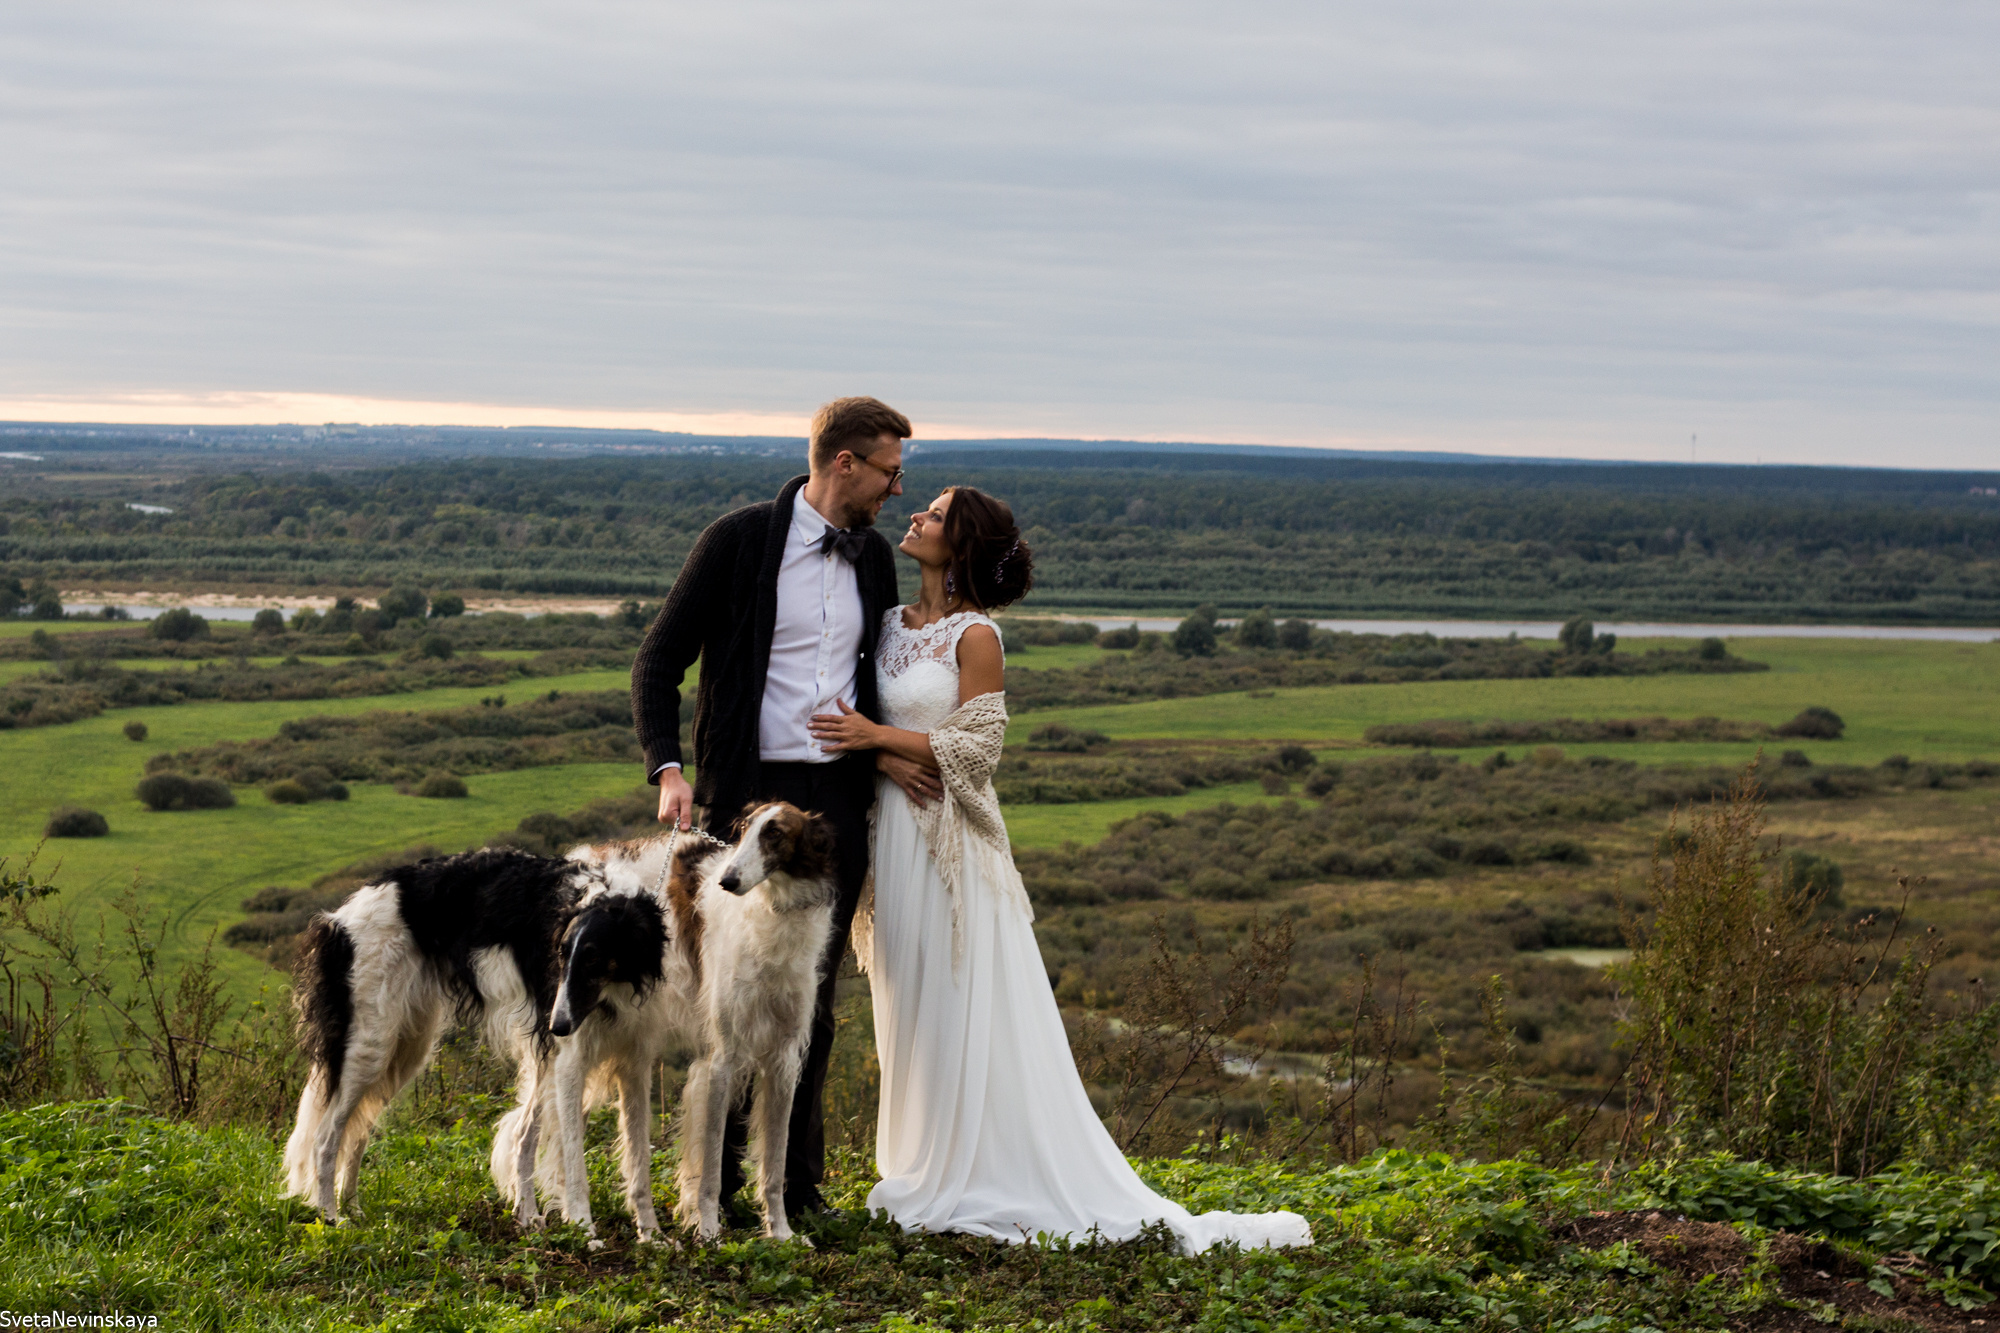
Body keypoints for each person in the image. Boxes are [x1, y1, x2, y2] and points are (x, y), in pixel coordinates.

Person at [805, 486, 1313, 1254]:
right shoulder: (886, 624)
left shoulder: (977, 637)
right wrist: (880, 750)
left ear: (961, 544)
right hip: (894, 844)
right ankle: (921, 1164)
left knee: (961, 1003)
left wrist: (878, 734)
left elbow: (976, 751)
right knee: (906, 1006)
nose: (915, 517)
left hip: (951, 848)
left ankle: (979, 1173)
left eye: (934, 514)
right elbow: (867, 730)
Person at [630, 395, 942, 1221]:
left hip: (833, 805)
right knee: (730, 1000)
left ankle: (793, 1191)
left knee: (814, 997)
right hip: (743, 797)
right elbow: (658, 660)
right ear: (845, 462)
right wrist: (669, 769)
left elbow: (881, 677)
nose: (897, 491)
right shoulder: (736, 542)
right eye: (889, 472)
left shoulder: (873, 558)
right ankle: (715, 1192)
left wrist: (887, 751)